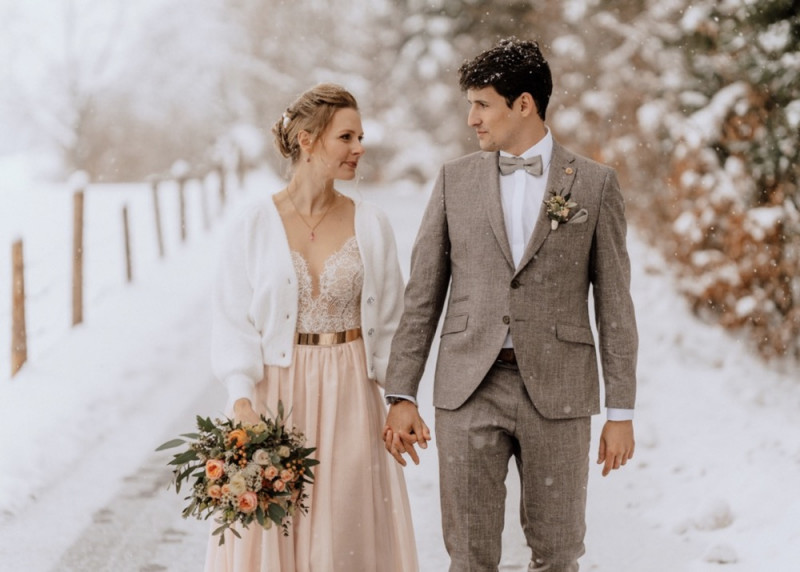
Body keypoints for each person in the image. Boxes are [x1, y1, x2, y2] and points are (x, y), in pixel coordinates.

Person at [383, 38, 638, 572]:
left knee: (560, 552)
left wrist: (621, 411)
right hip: (468, 387)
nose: (472, 118)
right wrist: (401, 392)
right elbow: (424, 292)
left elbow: (615, 303)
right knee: (470, 555)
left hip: (560, 391)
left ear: (524, 104)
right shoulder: (456, 179)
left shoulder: (594, 184)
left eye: (482, 104)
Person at [205, 83, 418, 572]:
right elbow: (232, 318)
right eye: (346, 137)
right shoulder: (253, 223)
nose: (359, 148)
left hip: (351, 397)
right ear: (307, 140)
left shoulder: (372, 223)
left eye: (360, 136)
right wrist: (241, 401)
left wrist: (401, 396)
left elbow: (392, 323)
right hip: (275, 401)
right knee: (273, 536)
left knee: (343, 539)